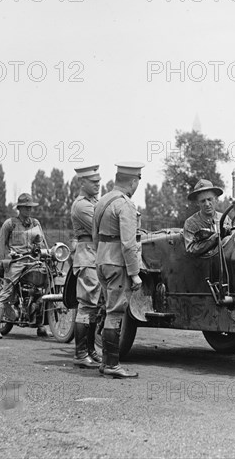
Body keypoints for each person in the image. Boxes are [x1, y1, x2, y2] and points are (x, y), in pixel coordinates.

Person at [93, 161, 145, 379]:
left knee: (107, 310)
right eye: (137, 182)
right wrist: (134, 273)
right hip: (117, 263)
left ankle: (106, 362)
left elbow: (95, 237)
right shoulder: (125, 205)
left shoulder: (102, 201)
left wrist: (102, 256)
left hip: (102, 260)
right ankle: (112, 365)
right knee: (115, 312)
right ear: (133, 181)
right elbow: (128, 243)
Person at [0, 193, 49, 339]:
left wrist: (44, 252)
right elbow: (1, 245)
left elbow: (43, 243)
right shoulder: (10, 223)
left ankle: (41, 325)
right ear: (19, 208)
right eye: (26, 207)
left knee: (45, 286)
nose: (29, 210)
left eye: (30, 207)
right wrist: (5, 260)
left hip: (33, 260)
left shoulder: (36, 223)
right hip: (17, 262)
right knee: (6, 291)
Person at [70, 165, 102, 369]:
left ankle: (90, 350)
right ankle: (81, 353)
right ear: (82, 182)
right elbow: (102, 228)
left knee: (95, 307)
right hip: (87, 255)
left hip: (95, 256)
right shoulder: (82, 206)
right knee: (87, 305)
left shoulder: (94, 203)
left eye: (98, 181)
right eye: (93, 182)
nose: (98, 184)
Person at [183, 179, 228, 256]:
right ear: (198, 203)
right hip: (202, 266)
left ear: (216, 199)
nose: (207, 204)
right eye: (203, 201)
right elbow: (190, 248)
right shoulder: (191, 223)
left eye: (209, 199)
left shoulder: (224, 218)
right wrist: (213, 239)